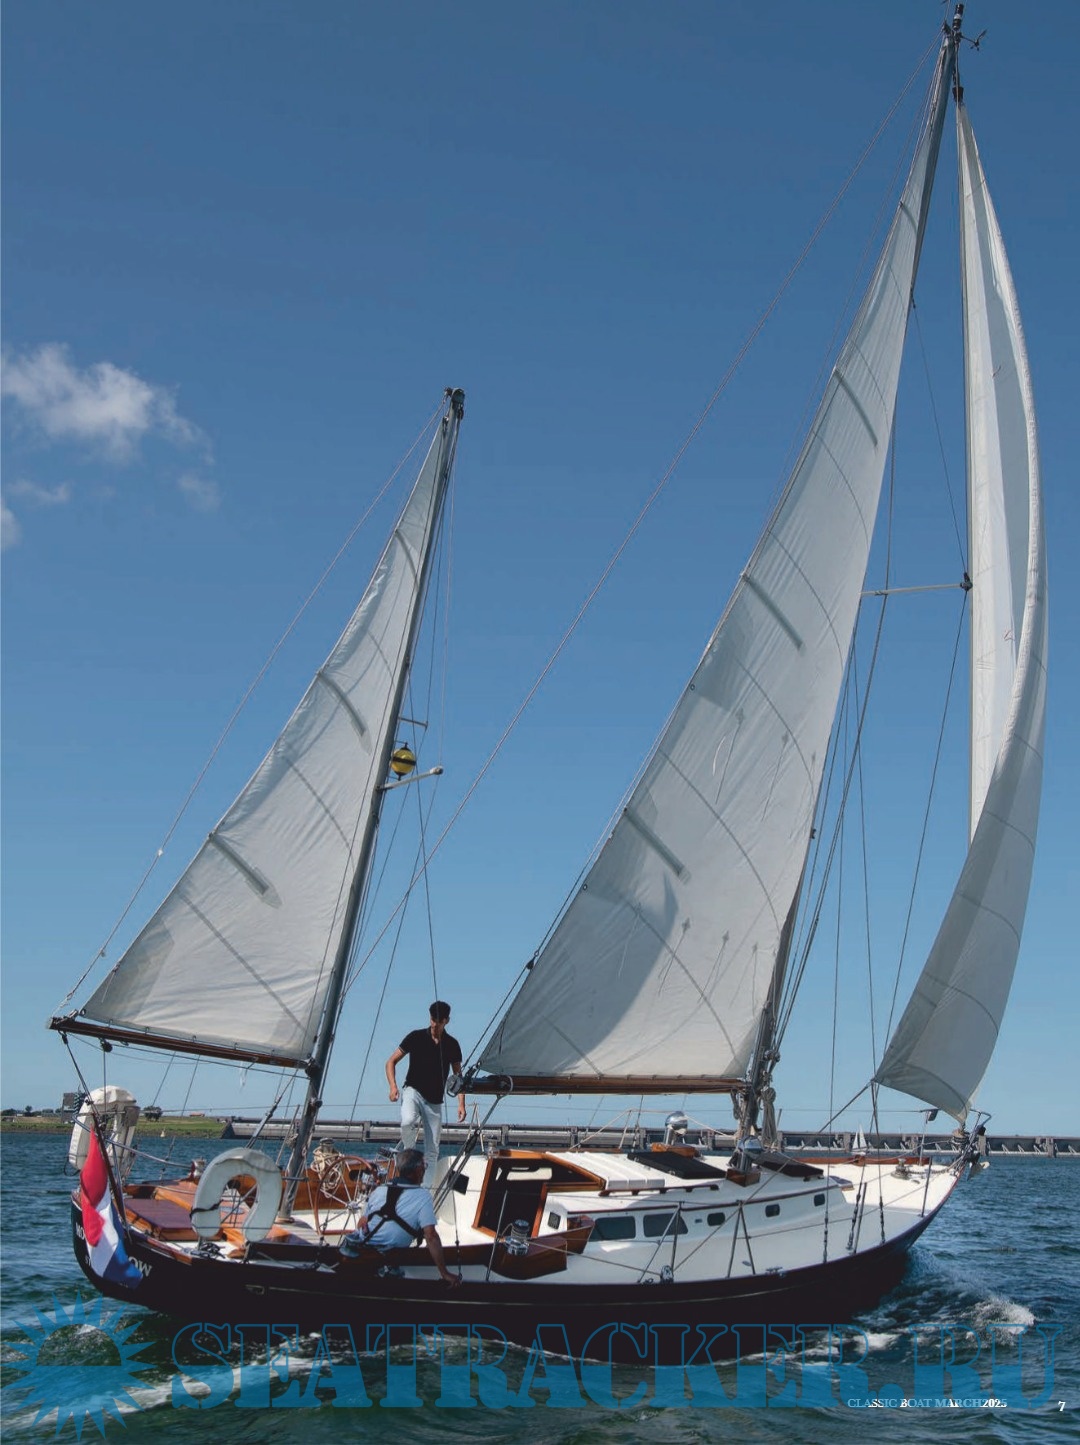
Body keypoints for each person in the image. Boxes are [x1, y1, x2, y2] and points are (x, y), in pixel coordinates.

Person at [341, 1148, 460, 1285]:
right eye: (424, 1165)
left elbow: (362, 1223)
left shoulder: (379, 1190)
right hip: (389, 1255)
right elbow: (431, 1235)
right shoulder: (423, 1196)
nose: (425, 1169)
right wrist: (444, 1273)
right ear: (417, 1170)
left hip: (362, 1247)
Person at [385, 1001, 466, 1182]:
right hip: (413, 1090)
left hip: (435, 1100)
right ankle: (409, 1153)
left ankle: (426, 1191)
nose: (434, 1024)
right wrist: (393, 1086)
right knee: (407, 1121)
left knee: (433, 1150)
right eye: (432, 1019)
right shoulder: (415, 1037)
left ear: (446, 1021)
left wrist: (461, 1104)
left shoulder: (452, 1044)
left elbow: (458, 1077)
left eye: (439, 1021)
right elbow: (390, 1062)